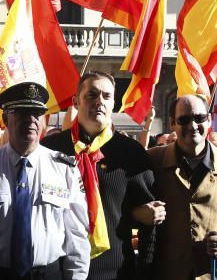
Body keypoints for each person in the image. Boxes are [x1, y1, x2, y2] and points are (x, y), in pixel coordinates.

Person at [0, 82, 90, 279]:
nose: (31, 119)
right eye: (22, 112)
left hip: (47, 274)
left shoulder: (63, 168)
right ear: (6, 118)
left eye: (36, 113)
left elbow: (77, 236)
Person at [40, 72, 158, 279]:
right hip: (55, 270)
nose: (99, 102)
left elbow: (152, 221)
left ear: (114, 102)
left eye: (106, 96)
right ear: (76, 102)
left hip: (115, 272)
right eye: (91, 95)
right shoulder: (49, 150)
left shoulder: (132, 153)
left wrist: (145, 270)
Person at [147, 94, 217, 280]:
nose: (192, 126)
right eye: (184, 120)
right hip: (168, 272)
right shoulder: (152, 161)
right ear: (172, 123)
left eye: (199, 118)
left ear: (209, 120)